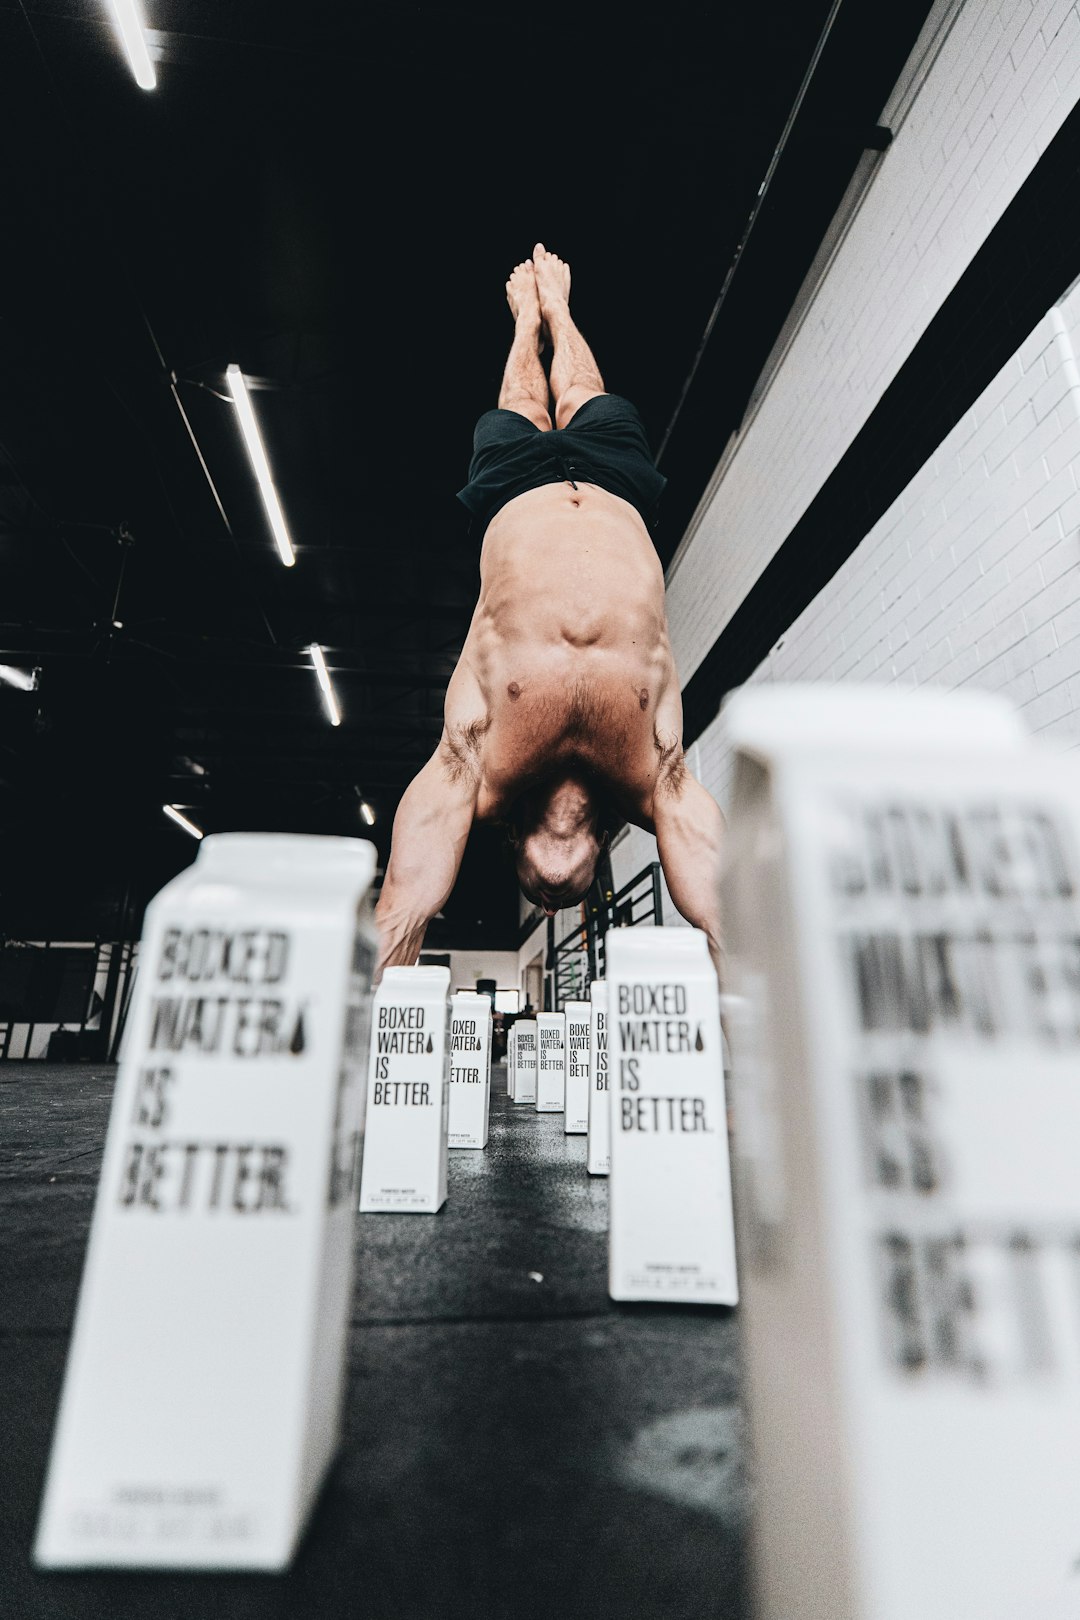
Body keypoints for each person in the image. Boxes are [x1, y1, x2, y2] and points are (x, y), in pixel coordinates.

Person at [375, 244, 725, 979]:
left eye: (540, 884)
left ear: (513, 844)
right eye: (571, 880)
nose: (557, 880)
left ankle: (526, 320)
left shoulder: (479, 766)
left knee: (524, 406)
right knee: (585, 390)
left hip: (515, 500)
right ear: (604, 847)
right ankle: (561, 314)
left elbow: (403, 906)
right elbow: (722, 912)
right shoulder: (652, 777)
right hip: (616, 492)